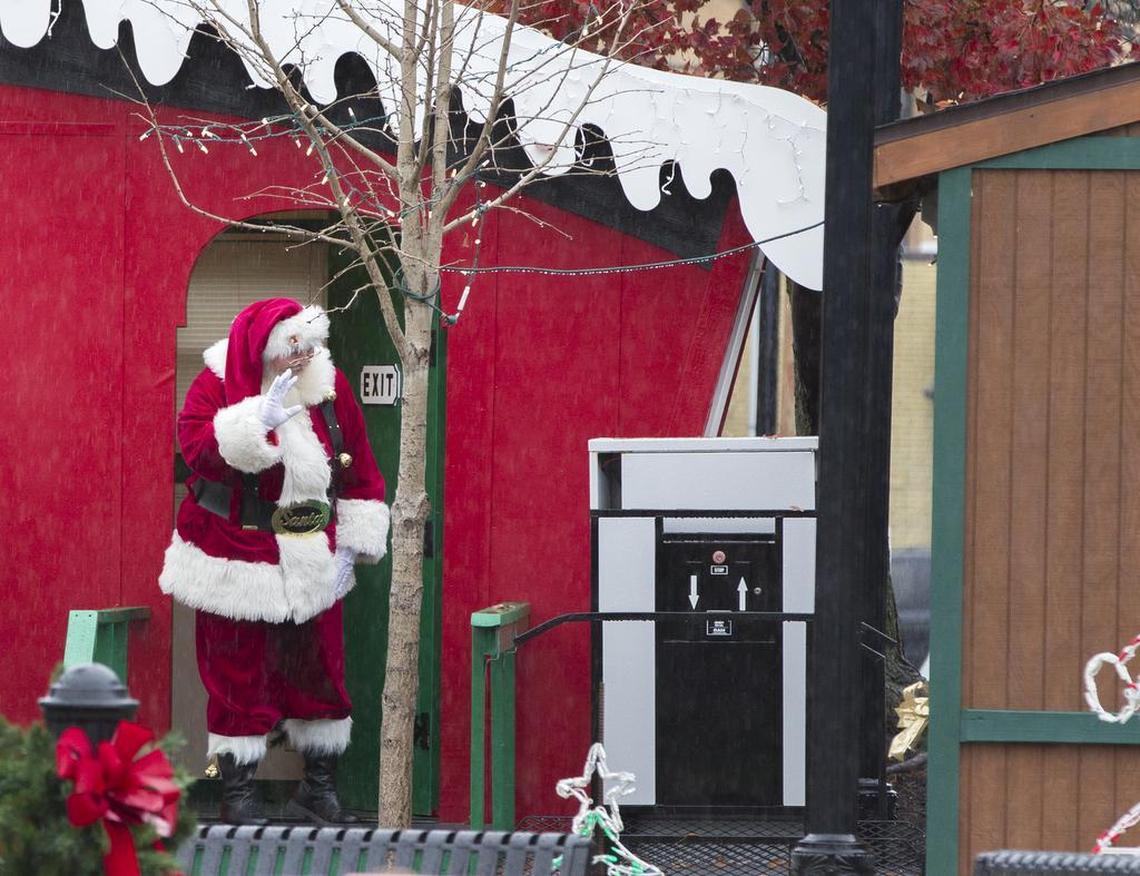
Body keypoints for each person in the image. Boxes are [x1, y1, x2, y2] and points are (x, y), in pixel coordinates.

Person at [159, 297, 389, 825]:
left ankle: (317, 789)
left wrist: (352, 546)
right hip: (233, 553)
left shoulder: (329, 386)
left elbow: (361, 468)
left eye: (309, 346)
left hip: (310, 553)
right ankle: (238, 795)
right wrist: (250, 424)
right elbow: (196, 450)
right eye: (292, 347)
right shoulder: (215, 382)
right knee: (236, 670)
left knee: (318, 668)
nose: (303, 357)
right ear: (262, 347)